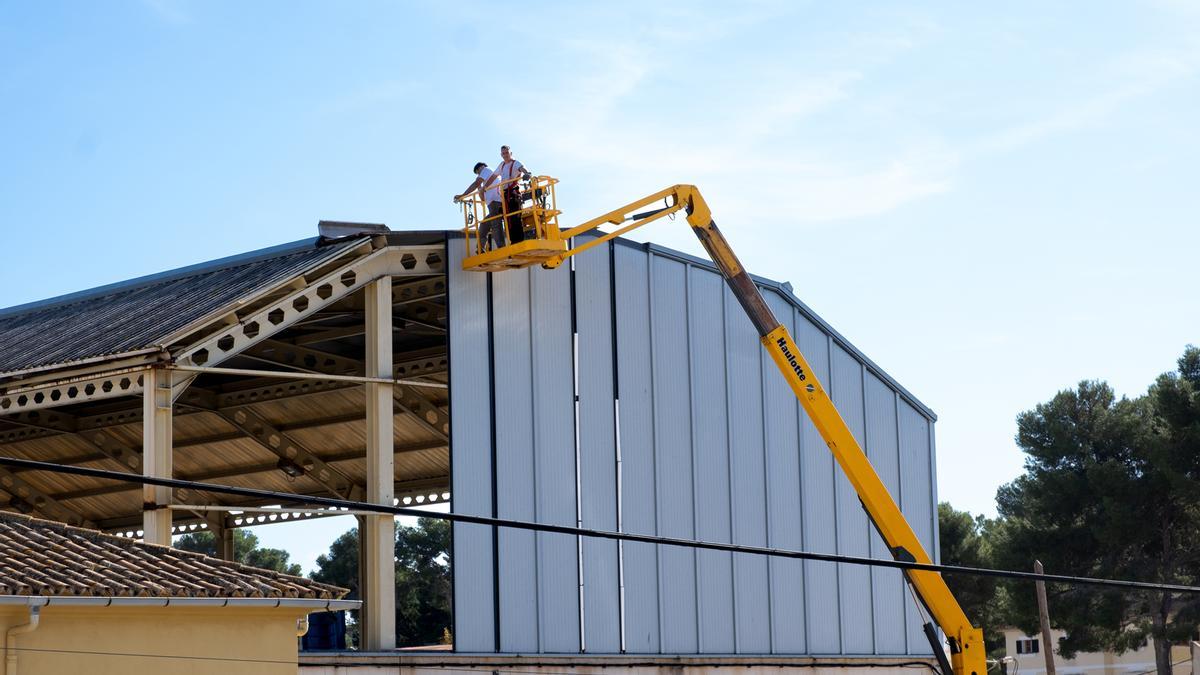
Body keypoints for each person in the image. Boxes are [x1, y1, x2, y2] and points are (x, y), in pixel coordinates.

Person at [480, 145, 532, 243]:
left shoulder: (515, 163)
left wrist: (527, 173)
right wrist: (484, 187)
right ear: (501, 155)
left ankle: (518, 241)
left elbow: (522, 168)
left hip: (513, 194)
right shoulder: (502, 165)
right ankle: (513, 241)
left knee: (515, 218)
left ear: (510, 153)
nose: (505, 155)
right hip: (505, 195)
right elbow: (493, 176)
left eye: (507, 153)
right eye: (503, 153)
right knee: (508, 219)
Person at [453, 161, 506, 251]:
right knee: (484, 225)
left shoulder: (486, 170)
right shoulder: (486, 180)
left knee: (495, 224)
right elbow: (482, 199)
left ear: (480, 168)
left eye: (478, 172)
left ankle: (502, 248)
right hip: (492, 204)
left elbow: (475, 183)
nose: (478, 175)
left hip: (496, 202)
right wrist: (480, 188)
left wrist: (463, 195)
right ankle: (480, 249)